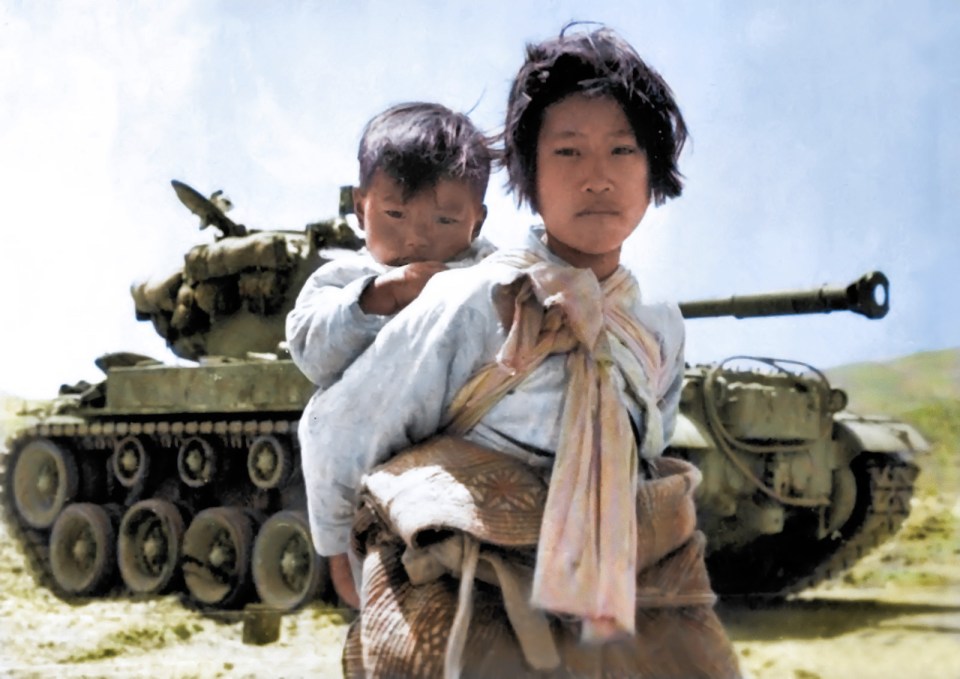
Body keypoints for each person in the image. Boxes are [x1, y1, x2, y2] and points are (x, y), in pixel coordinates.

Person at [304, 26, 741, 678]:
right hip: (478, 598)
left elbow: (649, 439)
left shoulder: (659, 325)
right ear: (528, 175)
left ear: (653, 174)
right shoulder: (470, 298)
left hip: (620, 593)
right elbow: (344, 421)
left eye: (623, 149)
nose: (597, 177)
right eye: (568, 151)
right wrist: (339, 545)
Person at [286, 101, 495, 606]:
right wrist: (380, 295)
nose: (417, 238)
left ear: (477, 220)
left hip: (465, 441)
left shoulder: (490, 271)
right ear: (361, 209)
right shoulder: (344, 277)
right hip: (367, 449)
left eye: (445, 218)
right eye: (395, 213)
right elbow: (310, 351)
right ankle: (339, 551)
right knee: (319, 426)